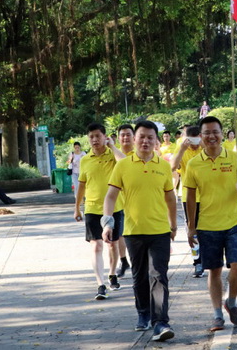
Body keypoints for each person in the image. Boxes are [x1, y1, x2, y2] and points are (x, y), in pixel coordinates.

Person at [102, 121, 177, 342]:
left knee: (158, 276)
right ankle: (143, 313)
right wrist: (107, 222)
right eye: (141, 136)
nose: (145, 141)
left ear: (156, 141)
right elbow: (110, 196)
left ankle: (161, 322)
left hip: (160, 231)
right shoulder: (123, 166)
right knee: (139, 278)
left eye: (150, 137)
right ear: (135, 139)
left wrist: (173, 225)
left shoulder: (163, 166)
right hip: (133, 232)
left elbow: (170, 198)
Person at [184, 116, 237, 332]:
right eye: (207, 133)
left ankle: (231, 302)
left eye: (215, 132)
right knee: (214, 271)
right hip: (207, 225)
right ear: (201, 136)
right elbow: (190, 196)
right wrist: (191, 226)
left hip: (234, 222)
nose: (211, 136)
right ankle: (216, 315)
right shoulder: (194, 164)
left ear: (222, 134)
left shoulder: (235, 157)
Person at [74, 123, 126, 300]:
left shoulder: (113, 155)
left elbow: (125, 163)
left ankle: (112, 273)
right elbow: (81, 185)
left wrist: (112, 146)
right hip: (92, 208)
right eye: (91, 137)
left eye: (98, 136)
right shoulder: (85, 160)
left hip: (113, 208)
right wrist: (77, 207)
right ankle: (100, 284)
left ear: (105, 136)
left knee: (112, 244)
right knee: (96, 245)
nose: (95, 140)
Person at [171, 126, 204, 278]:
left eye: (197, 138)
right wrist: (182, 149)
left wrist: (204, 145)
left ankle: (209, 258)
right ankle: (197, 262)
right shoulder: (182, 148)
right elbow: (172, 166)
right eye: (192, 139)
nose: (195, 143)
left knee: (208, 230)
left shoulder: (205, 147)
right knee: (192, 230)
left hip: (207, 196)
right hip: (189, 197)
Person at [115, 124, 135, 278]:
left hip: (136, 202)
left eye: (128, 134)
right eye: (122, 135)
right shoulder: (112, 153)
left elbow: (127, 165)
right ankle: (123, 261)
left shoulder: (138, 154)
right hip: (119, 203)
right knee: (120, 235)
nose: (125, 138)